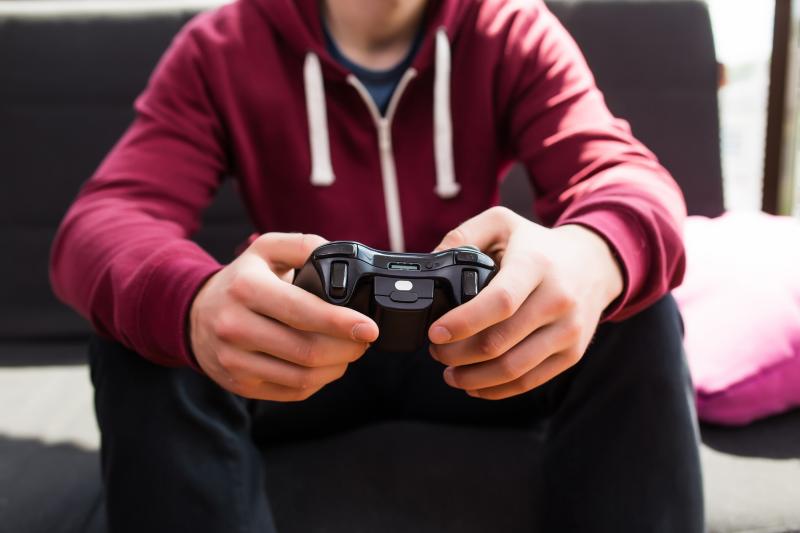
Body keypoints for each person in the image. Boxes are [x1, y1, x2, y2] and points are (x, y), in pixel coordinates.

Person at [50, 0, 704, 531]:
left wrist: (590, 257)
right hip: (302, 353)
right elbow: (107, 218)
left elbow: (622, 175)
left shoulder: (509, 27)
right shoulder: (220, 47)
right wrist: (191, 304)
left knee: (635, 306)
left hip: (478, 346)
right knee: (147, 330)